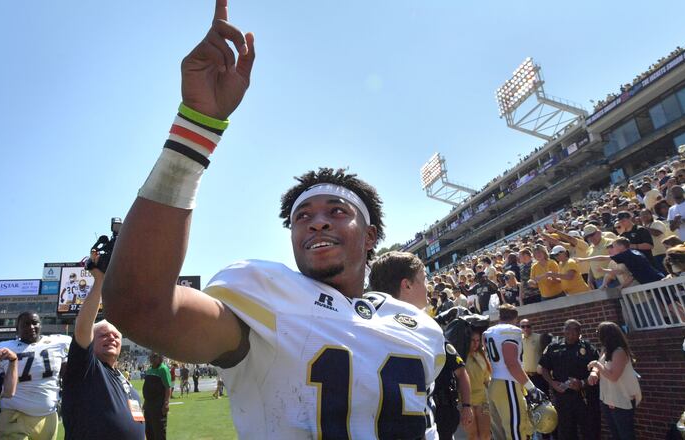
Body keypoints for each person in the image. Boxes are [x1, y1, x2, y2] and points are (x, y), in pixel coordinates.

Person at [102, 3, 446, 436]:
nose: (316, 222)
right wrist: (197, 128)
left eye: (336, 212)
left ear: (371, 235)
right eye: (303, 216)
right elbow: (139, 305)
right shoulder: (266, 298)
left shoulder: (419, 326)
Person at [369, 251, 473, 439]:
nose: (428, 287)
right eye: (424, 279)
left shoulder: (359, 324)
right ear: (407, 285)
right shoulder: (426, 329)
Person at [61, 251, 145, 439]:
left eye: (116, 336)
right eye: (103, 335)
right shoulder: (86, 369)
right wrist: (99, 281)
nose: (112, 338)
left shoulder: (123, 379)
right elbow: (83, 329)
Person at [0, 311, 71, 440]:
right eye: (26, 324)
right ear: (17, 329)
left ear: (40, 325)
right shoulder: (0, 349)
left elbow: (68, 377)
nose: (31, 327)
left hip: (47, 415)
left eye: (34, 323)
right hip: (14, 414)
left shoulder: (59, 343)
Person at [483, 304, 544, 440]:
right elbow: (511, 363)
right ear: (516, 318)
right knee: (516, 429)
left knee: (502, 431)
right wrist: (531, 387)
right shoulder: (512, 331)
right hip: (508, 383)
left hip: (495, 382)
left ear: (499, 316)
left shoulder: (488, 332)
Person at [538, 319, 601, 439]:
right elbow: (544, 368)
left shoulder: (587, 347)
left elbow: (596, 368)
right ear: (564, 330)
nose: (571, 332)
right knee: (566, 432)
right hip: (562, 398)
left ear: (579, 332)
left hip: (584, 397)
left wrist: (582, 383)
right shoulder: (554, 347)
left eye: (575, 330)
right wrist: (552, 382)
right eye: (568, 329)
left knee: (590, 430)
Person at [587, 322, 642, 440]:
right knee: (616, 434)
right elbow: (599, 365)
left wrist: (596, 365)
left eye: (598, 333)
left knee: (626, 435)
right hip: (607, 398)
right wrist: (594, 373)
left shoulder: (619, 352)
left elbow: (613, 377)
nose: (597, 335)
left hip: (621, 400)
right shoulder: (606, 350)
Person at [463, 329, 491, 440]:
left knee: (486, 435)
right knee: (473, 436)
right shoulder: (462, 357)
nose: (475, 343)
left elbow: (487, 380)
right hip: (467, 400)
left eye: (478, 340)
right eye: (472, 340)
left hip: (483, 399)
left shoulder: (482, 355)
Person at [143, 354, 172, 440]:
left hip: (158, 405)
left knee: (159, 431)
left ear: (160, 358)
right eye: (151, 356)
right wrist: (145, 403)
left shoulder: (163, 369)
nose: (152, 358)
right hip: (148, 405)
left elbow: (168, 387)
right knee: (149, 431)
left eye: (154, 356)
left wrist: (166, 403)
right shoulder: (149, 370)